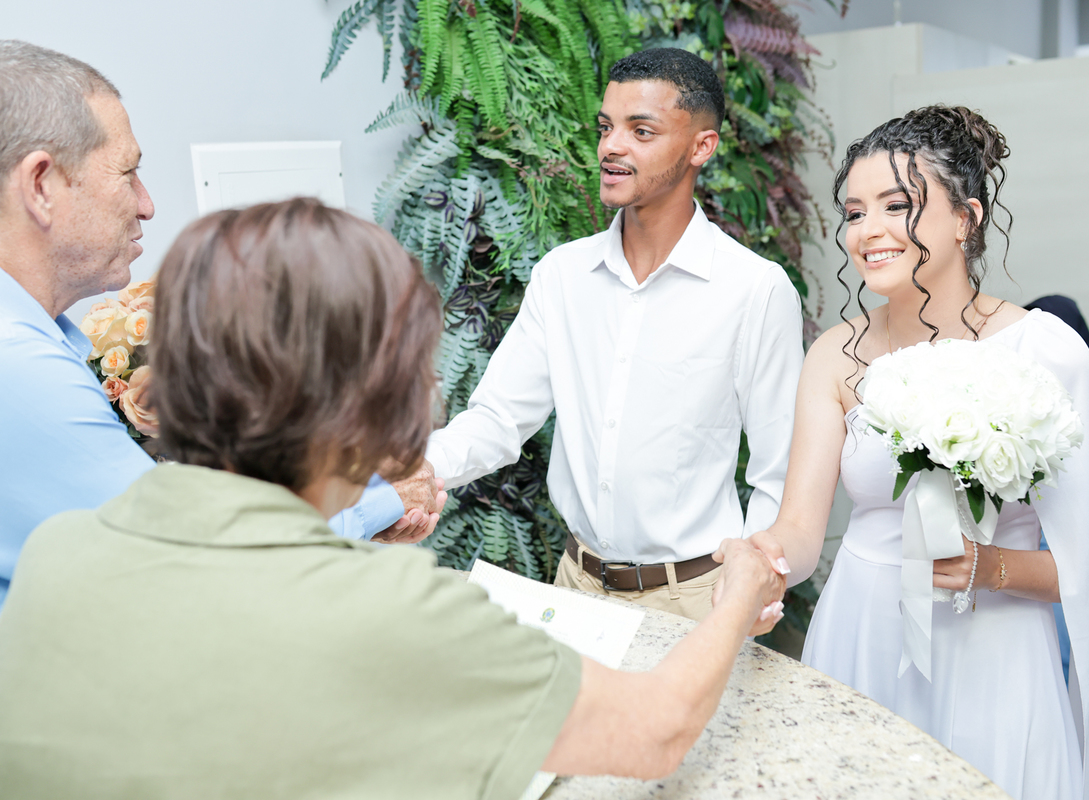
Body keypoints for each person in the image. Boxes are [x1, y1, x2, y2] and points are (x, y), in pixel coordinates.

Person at [0, 198, 784, 798]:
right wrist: (738, 592)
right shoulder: (394, 610)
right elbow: (655, 730)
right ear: (375, 398)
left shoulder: (58, 553)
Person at [747, 107, 1089, 799]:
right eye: (854, 212)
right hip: (863, 634)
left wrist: (989, 566)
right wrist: (762, 561)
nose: (869, 230)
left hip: (997, 648)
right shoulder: (835, 355)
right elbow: (799, 531)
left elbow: (1088, 569)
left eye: (898, 206)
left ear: (965, 218)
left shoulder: (1046, 353)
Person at [0, 39, 439, 608]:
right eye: (128, 173)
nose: (147, 204)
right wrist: (378, 499)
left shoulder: (37, 342)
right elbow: (196, 566)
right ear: (40, 186)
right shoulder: (17, 365)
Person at [401, 48, 804, 620]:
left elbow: (778, 470)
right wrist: (419, 469)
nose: (611, 146)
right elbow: (498, 418)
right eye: (606, 127)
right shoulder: (562, 275)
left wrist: (755, 581)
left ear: (702, 147)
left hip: (697, 596)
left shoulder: (754, 289)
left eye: (641, 131)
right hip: (575, 587)